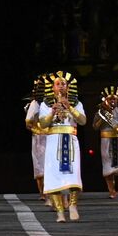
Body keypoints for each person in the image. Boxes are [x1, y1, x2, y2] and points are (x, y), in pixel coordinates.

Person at [34, 71, 85, 223]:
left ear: (68, 87)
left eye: (63, 84)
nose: (61, 86)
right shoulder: (45, 104)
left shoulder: (77, 103)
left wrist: (71, 108)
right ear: (53, 88)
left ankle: (73, 205)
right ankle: (60, 212)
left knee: (73, 174)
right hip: (53, 142)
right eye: (58, 84)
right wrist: (52, 111)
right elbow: (42, 124)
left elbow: (82, 121)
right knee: (54, 177)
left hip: (70, 141)